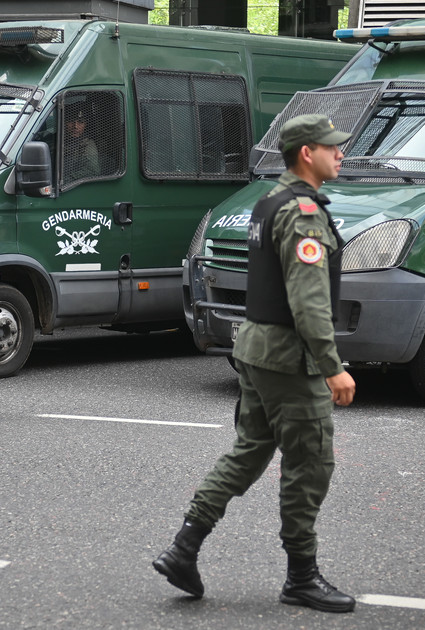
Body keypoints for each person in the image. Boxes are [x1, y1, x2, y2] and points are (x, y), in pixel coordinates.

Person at [153, 114, 357, 613]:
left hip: (256, 348)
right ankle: (301, 578)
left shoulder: (268, 202)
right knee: (310, 464)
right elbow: (309, 301)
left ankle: (184, 547)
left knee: (248, 452)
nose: (340, 154)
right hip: (289, 358)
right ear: (306, 153)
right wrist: (332, 366)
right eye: (331, 147)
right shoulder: (303, 213)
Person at [62, 107, 99, 182]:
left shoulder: (87, 144)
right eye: (71, 121)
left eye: (80, 122)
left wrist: (65, 181)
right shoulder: (59, 138)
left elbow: (92, 171)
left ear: (85, 125)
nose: (75, 126)